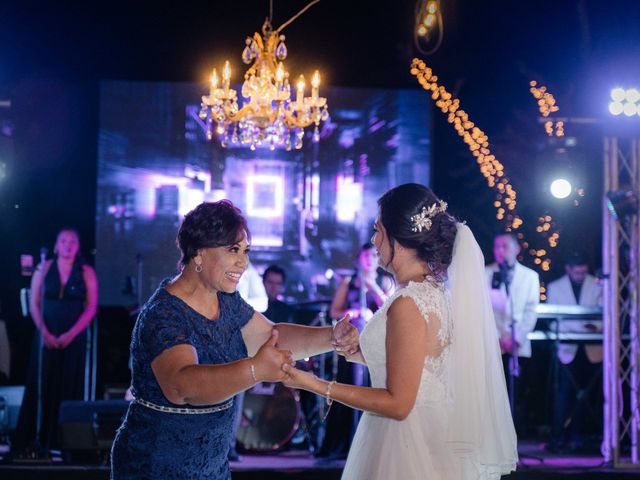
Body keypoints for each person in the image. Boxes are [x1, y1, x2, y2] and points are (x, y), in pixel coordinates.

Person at [283, 183, 517, 479]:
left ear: (401, 240)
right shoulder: (431, 292)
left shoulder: (408, 302)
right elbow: (419, 364)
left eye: (378, 231)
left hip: (407, 442)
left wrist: (314, 384)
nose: (374, 240)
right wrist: (357, 351)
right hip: (429, 433)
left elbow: (398, 403)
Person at [110, 200, 359, 479]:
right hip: (156, 465)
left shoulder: (226, 300)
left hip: (212, 467)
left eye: (245, 251)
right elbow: (182, 386)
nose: (244, 262)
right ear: (199, 254)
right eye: (233, 250)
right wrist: (255, 370)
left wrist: (332, 337)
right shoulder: (163, 314)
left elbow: (271, 337)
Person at [13, 228, 98, 454]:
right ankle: (35, 438)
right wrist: (45, 333)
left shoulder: (86, 271)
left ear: (78, 246)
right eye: (63, 241)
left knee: (69, 383)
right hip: (46, 334)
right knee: (42, 383)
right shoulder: (44, 267)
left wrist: (70, 335)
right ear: (56, 245)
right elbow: (34, 304)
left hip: (74, 335)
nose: (68, 245)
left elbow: (90, 308)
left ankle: (64, 442)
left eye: (72, 242)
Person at [318, 243, 393, 459]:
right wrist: (350, 311)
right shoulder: (349, 283)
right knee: (350, 387)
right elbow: (335, 310)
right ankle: (345, 443)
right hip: (351, 344)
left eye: (374, 255)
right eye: (366, 256)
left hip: (375, 343)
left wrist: (373, 288)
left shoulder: (384, 281)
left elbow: (390, 309)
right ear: (359, 258)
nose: (370, 259)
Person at [546, 251, 602, 452]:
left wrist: (594, 327)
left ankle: (580, 436)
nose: (580, 276)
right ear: (568, 269)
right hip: (567, 349)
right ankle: (560, 436)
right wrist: (580, 327)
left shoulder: (597, 284)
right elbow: (554, 321)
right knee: (564, 394)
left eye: (583, 272)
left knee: (587, 394)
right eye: (576, 272)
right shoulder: (555, 287)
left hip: (591, 349)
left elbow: (603, 315)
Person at [485, 232, 539, 433]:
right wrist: (499, 338)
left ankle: (514, 440)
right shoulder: (485, 273)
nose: (500, 251)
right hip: (493, 344)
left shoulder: (530, 276)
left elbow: (530, 311)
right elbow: (481, 311)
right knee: (492, 395)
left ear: (516, 249)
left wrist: (516, 338)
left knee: (517, 393)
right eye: (496, 247)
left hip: (518, 344)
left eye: (505, 246)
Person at [229, 261, 268, 461]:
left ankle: (230, 446)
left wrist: (239, 304)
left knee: (237, 393)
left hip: (238, 338)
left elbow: (263, 301)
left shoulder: (249, 270)